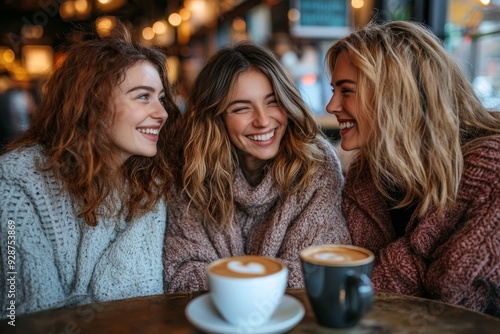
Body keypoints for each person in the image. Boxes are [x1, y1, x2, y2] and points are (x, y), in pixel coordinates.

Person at [0, 21, 180, 317]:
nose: (162, 113)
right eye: (143, 96)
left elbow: (147, 302)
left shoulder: (150, 183)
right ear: (92, 101)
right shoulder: (17, 181)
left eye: (161, 98)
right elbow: (31, 317)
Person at [326, 20, 499, 316]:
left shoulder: (491, 166)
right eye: (334, 90)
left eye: (346, 91)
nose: (331, 106)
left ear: (394, 94)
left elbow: (452, 283)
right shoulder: (365, 177)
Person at [164, 42, 350, 292]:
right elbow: (182, 273)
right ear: (215, 117)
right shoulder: (191, 170)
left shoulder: (315, 164)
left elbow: (316, 272)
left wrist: (223, 278)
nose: (263, 121)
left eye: (272, 102)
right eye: (242, 108)